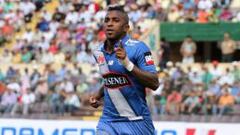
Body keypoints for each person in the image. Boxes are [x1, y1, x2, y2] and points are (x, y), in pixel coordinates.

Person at [89, 5, 159, 135]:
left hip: (137, 121)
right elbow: (111, 77)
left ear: (126, 28)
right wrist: (98, 94)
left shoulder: (139, 48)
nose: (110, 24)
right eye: (107, 20)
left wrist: (127, 63)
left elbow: (154, 83)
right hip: (108, 120)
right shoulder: (98, 52)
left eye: (115, 20)